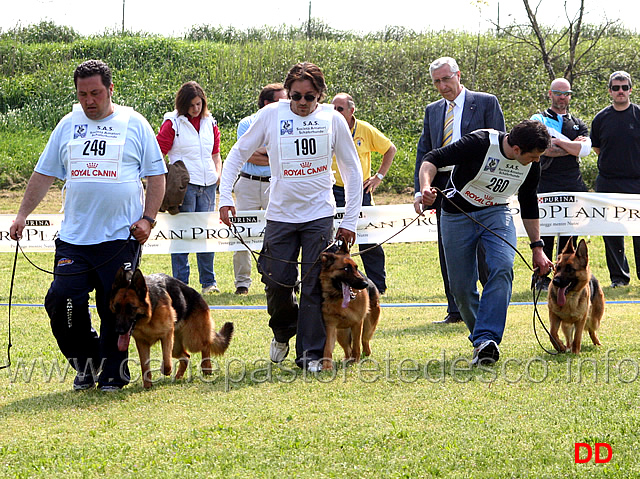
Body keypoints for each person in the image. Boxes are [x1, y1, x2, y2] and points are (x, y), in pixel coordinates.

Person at [9, 59, 166, 391]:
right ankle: (86, 362)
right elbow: (43, 174)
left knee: (116, 310)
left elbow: (156, 177)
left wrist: (148, 219)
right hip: (74, 239)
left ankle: (114, 373)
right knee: (62, 300)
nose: (89, 101)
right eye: (82, 94)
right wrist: (22, 214)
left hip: (120, 239)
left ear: (111, 89)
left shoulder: (134, 123)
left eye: (96, 93)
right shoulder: (67, 125)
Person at [218, 62, 362, 372]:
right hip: (280, 215)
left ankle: (310, 355)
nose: (301, 103)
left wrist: (349, 219)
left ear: (320, 95)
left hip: (319, 215)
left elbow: (352, 169)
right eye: (295, 96)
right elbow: (238, 153)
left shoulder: (333, 120)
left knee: (313, 285)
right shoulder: (271, 115)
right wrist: (225, 196)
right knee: (276, 282)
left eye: (309, 97)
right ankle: (283, 330)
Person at [418, 120, 553, 365]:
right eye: (532, 157)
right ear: (516, 150)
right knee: (460, 287)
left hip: (497, 213)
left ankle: (487, 338)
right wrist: (425, 188)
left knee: (502, 267)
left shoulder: (531, 163)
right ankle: (482, 343)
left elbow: (529, 201)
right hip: (457, 214)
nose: (536, 161)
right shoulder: (480, 142)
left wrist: (538, 247)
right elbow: (432, 158)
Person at [413, 56, 505, 324]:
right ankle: (455, 310)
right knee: (449, 249)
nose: (442, 86)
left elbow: (499, 144)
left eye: (446, 79)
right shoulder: (432, 110)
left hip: (477, 185)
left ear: (458, 75)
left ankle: (490, 308)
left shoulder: (486, 102)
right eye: (437, 82)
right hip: (442, 187)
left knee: (484, 251)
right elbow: (425, 151)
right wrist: (421, 190)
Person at [156, 81, 222, 294]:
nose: (196, 109)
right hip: (185, 186)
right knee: (182, 235)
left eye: (200, 104)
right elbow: (158, 153)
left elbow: (215, 153)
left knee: (206, 234)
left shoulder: (210, 122)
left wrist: (217, 174)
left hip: (208, 185)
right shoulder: (172, 124)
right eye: (192, 105)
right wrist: (165, 182)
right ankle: (181, 284)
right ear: (183, 104)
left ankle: (209, 283)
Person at [330, 92, 396, 295]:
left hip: (360, 190)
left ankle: (378, 285)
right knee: (333, 240)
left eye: (340, 109)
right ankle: (337, 284)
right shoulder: (325, 128)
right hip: (333, 191)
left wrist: (379, 177)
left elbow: (390, 149)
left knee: (369, 237)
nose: (336, 113)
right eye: (333, 109)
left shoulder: (365, 130)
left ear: (352, 111)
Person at [531, 78, 591, 289]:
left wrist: (559, 143)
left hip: (572, 183)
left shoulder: (578, 123)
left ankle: (566, 277)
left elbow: (584, 150)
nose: (562, 97)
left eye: (566, 93)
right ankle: (540, 277)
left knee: (570, 235)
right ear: (550, 94)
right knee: (544, 232)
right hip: (545, 181)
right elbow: (543, 149)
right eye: (558, 93)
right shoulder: (538, 118)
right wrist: (570, 147)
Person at [232, 83, 288, 295]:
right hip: (247, 184)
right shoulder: (247, 123)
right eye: (282, 100)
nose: (287, 104)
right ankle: (242, 283)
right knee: (242, 233)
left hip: (274, 185)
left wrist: (266, 153)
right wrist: (272, 154)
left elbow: (284, 154)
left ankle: (272, 281)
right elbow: (246, 154)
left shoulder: (287, 123)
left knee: (275, 235)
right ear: (267, 103)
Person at [590, 71, 640, 288]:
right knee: (612, 232)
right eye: (616, 88)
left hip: (637, 182)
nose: (621, 91)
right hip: (608, 182)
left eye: (624, 87)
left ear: (631, 89)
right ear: (610, 91)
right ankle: (619, 278)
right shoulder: (601, 118)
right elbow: (597, 147)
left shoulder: (639, 115)